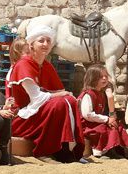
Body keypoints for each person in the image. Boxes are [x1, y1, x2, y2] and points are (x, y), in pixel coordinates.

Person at [8, 25, 86, 162]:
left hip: (39, 113)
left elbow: (59, 91)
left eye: (48, 41)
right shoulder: (23, 64)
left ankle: (66, 150)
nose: (45, 44)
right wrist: (61, 95)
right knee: (59, 102)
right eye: (41, 41)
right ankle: (43, 151)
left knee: (69, 101)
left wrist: (66, 95)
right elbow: (37, 98)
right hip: (23, 118)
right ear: (31, 45)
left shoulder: (47, 66)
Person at [78, 64, 128, 160]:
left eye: (106, 76)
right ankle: (104, 151)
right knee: (104, 129)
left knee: (117, 126)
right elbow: (87, 114)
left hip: (96, 121)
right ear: (92, 78)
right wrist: (107, 119)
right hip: (87, 124)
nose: (104, 79)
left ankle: (118, 150)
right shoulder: (88, 95)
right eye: (100, 77)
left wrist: (110, 120)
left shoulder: (101, 93)